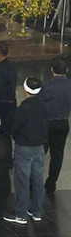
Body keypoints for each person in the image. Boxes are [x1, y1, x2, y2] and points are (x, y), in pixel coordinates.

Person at [5, 77, 49, 225]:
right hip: (39, 147)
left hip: (23, 147)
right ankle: (37, 211)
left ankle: (21, 213)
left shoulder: (22, 109)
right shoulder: (45, 107)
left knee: (22, 181)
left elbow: (14, 129)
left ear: (25, 90)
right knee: (37, 179)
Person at [42, 57, 71, 192]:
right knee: (57, 155)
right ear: (67, 70)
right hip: (63, 123)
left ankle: (35, 180)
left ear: (52, 70)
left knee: (40, 153)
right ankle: (51, 182)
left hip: (47, 124)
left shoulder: (46, 86)